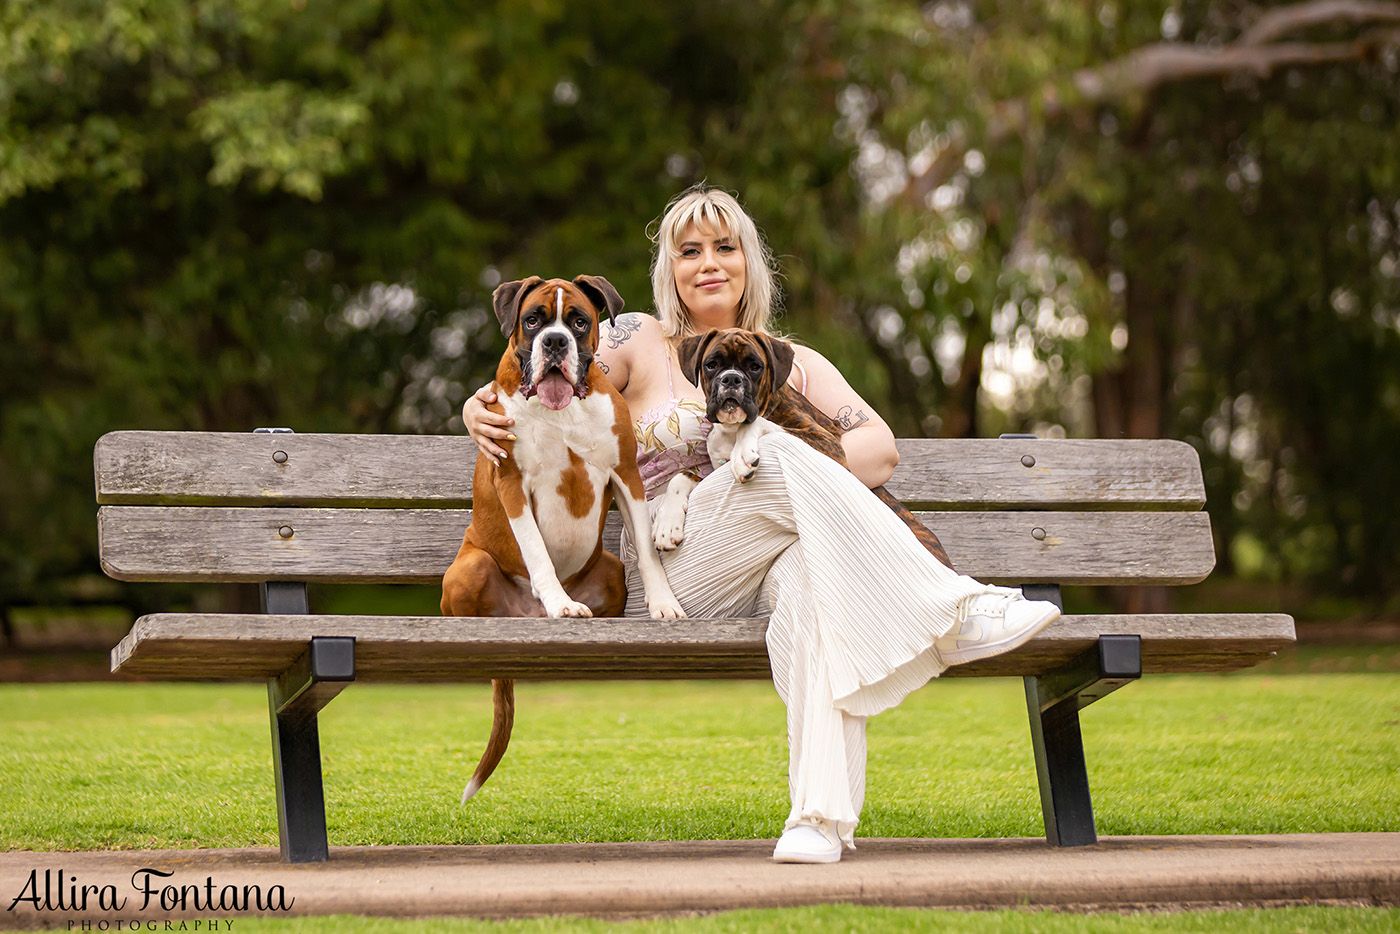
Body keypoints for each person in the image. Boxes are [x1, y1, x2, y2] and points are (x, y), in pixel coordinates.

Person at [462, 186, 1060, 863]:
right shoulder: (636, 341)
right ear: (669, 268)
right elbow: (543, 366)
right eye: (690, 250)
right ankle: (953, 607)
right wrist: (472, 406)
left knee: (808, 574)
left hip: (771, 555)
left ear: (751, 260)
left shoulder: (789, 359)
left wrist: (769, 451)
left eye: (725, 246)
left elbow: (881, 448)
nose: (708, 263)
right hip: (675, 562)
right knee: (770, 447)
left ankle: (815, 820)